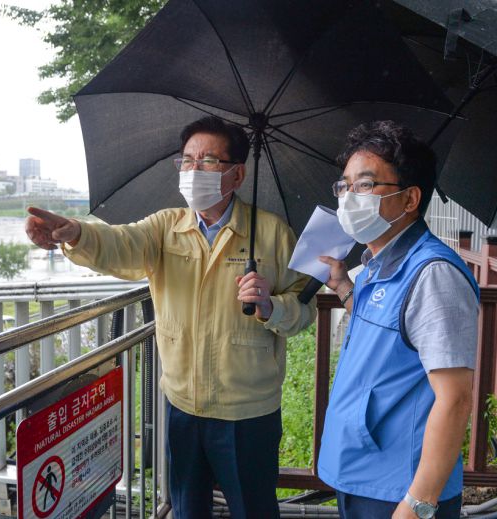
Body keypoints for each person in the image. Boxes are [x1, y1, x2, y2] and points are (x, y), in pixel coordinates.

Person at [25, 116, 316, 518]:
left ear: (237, 174)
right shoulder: (165, 227)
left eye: (208, 160)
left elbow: (304, 309)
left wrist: (271, 306)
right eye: (188, 160)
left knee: (254, 510)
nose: (194, 170)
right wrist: (76, 232)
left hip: (248, 412)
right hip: (182, 405)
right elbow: (120, 243)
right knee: (186, 509)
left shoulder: (272, 233)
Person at [316, 121, 479, 519]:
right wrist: (344, 288)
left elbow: (455, 398)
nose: (349, 197)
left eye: (365, 184)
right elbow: (392, 330)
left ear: (410, 199)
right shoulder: (378, 263)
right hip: (363, 472)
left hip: (401, 489)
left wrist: (418, 503)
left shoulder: (433, 274)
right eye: (345, 186)